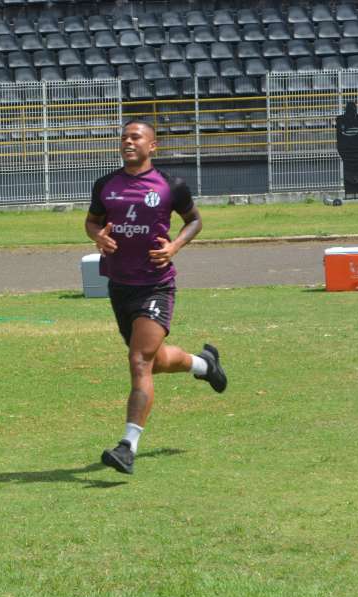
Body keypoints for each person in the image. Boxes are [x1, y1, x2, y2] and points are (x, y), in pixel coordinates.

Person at [84, 120, 227, 475]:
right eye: (124, 138)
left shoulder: (170, 185)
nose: (128, 142)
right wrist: (98, 237)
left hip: (156, 285)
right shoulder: (106, 185)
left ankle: (127, 446)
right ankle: (204, 364)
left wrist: (176, 245)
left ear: (153, 145)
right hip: (119, 286)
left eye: (136, 137)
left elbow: (194, 220)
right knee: (155, 361)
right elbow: (91, 221)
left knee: (138, 361)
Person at [335, 101, 358, 197]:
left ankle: (351, 193)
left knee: (349, 172)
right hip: (356, 151)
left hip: (348, 151)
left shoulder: (340, 119)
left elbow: (339, 136)